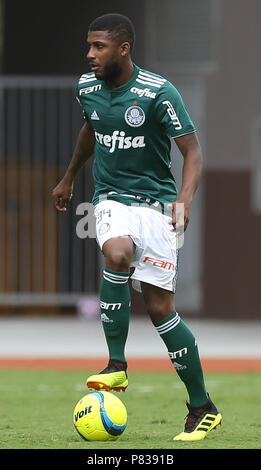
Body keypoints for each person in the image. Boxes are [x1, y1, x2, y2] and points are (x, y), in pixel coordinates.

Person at [52, 13, 222, 441]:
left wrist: (183, 202)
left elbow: (193, 152)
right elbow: (91, 129)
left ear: (123, 49)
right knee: (117, 252)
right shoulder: (86, 88)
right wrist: (70, 177)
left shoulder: (158, 92)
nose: (89, 54)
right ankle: (116, 365)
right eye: (89, 46)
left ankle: (202, 407)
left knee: (162, 309)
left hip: (158, 207)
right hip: (111, 199)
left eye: (99, 47)